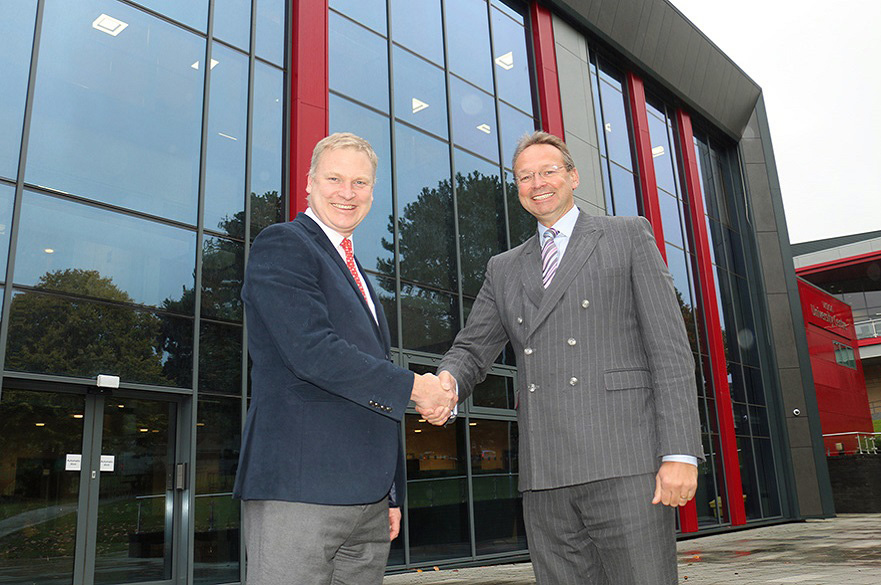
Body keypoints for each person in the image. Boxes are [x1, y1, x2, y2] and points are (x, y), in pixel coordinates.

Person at [435, 131, 703, 584]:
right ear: (517, 188)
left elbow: (671, 352)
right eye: (525, 176)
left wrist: (680, 453)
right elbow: (472, 347)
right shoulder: (504, 267)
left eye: (548, 171)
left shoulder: (627, 235)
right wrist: (446, 382)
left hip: (625, 464)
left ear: (573, 176)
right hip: (545, 476)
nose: (537, 182)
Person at [233, 132, 456, 585]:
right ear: (309, 184)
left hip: (369, 506)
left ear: (373, 192)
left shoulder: (359, 274)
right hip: (300, 492)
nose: (347, 193)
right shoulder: (284, 244)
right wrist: (416, 387)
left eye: (361, 182)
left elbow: (366, 388)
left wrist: (392, 492)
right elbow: (312, 353)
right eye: (335, 178)